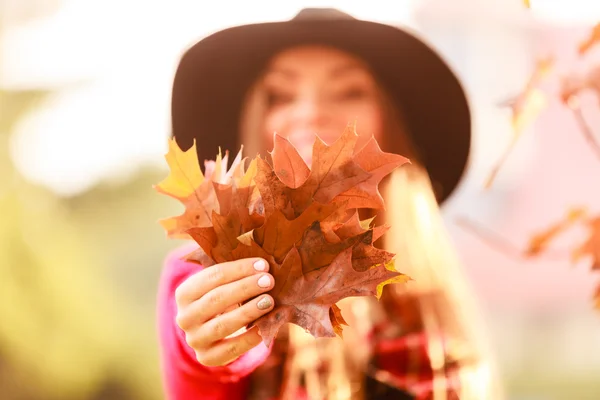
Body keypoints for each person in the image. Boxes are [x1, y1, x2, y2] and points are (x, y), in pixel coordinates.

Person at [157, 8, 502, 400]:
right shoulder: (209, 273)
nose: (311, 111)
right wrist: (223, 338)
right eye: (280, 95)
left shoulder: (433, 296)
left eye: (350, 91)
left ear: (392, 125)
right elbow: (210, 371)